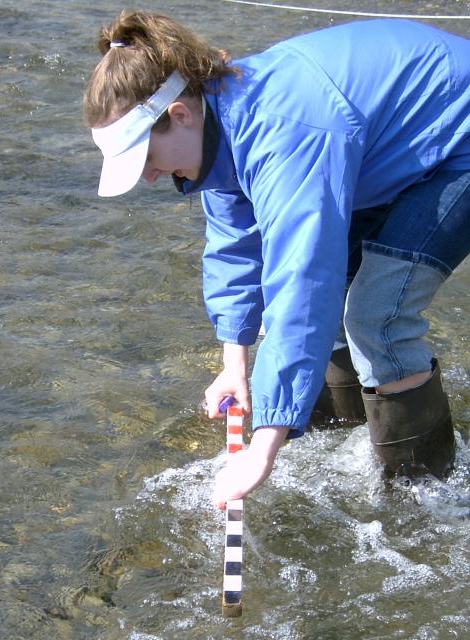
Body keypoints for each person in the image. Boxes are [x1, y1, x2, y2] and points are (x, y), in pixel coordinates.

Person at [83, 10, 470, 508]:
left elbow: (303, 283)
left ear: (179, 114)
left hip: (454, 139)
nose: (149, 177)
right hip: (384, 146)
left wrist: (262, 448)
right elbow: (234, 247)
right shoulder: (217, 124)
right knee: (329, 311)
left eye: (145, 159)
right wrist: (234, 364)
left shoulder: (285, 134)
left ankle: (423, 497)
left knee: (376, 316)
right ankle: (352, 432)